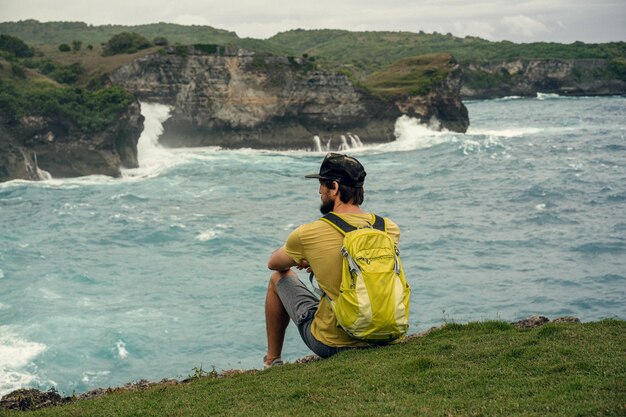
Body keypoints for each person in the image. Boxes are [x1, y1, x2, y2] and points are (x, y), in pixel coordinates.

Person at [264, 152, 401, 368]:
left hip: (334, 343)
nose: (319, 191)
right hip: (387, 335)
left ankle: (273, 361)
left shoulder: (310, 233)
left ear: (334, 188)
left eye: (322, 185)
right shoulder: (388, 228)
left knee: (279, 277)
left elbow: (274, 262)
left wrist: (310, 256)